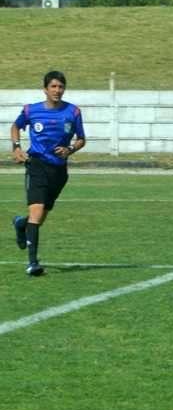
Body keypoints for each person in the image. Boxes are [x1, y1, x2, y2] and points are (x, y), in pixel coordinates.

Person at [10, 70, 86, 276]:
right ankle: (33, 263)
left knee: (39, 217)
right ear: (45, 89)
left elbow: (81, 139)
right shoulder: (31, 110)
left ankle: (21, 224)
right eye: (53, 86)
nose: (57, 90)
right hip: (36, 165)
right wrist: (16, 147)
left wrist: (70, 149)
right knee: (36, 212)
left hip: (59, 171)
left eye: (60, 87)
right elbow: (15, 126)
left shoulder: (73, 112)